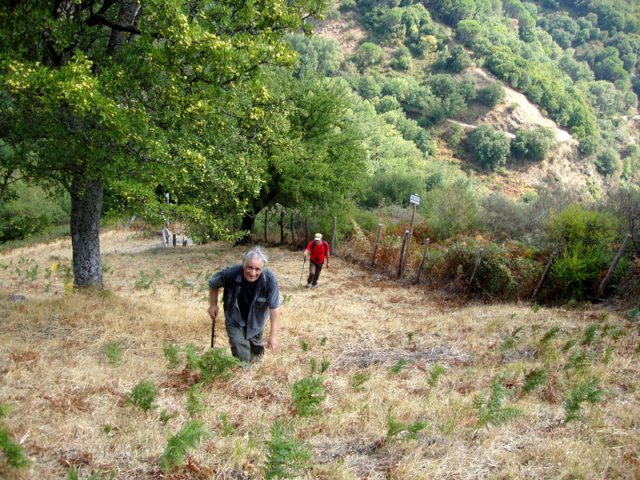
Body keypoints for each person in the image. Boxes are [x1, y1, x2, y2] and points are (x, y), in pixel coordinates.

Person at [207, 246, 281, 363]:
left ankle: (252, 373)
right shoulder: (231, 273)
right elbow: (213, 283)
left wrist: (273, 336)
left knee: (256, 355)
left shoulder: (270, 280)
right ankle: (243, 372)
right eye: (249, 268)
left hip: (256, 322)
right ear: (243, 265)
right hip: (235, 318)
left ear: (263, 268)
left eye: (257, 269)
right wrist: (213, 304)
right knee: (242, 353)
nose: (252, 273)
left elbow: (274, 308)